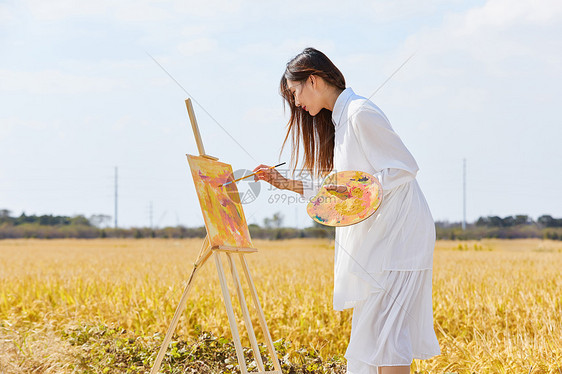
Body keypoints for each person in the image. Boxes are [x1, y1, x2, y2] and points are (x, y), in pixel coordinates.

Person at [253, 47, 440, 374]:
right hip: (382, 240)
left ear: (313, 80)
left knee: (388, 337)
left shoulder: (358, 112)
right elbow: (341, 190)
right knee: (376, 338)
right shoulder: (343, 120)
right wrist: (285, 184)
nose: (296, 103)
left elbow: (403, 168)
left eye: (296, 93)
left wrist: (358, 189)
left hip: (397, 238)